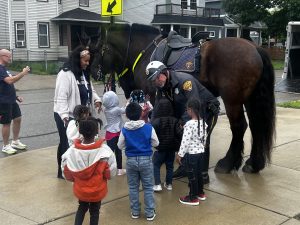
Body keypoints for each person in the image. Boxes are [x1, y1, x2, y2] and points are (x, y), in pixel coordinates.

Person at [146, 61, 219, 184]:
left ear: (163, 73)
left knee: (201, 141)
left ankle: (203, 174)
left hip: (205, 110)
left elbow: (195, 104)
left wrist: (182, 122)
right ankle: (185, 167)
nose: (155, 83)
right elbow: (158, 108)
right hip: (186, 112)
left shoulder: (185, 81)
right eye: (153, 80)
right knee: (181, 136)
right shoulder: (161, 87)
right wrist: (151, 125)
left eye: (155, 79)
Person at [54, 45, 102, 179]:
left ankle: (77, 169)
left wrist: (97, 100)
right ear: (77, 59)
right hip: (66, 115)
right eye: (85, 61)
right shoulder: (65, 74)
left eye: (88, 61)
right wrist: (64, 117)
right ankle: (63, 171)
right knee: (66, 142)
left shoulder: (83, 73)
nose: (87, 63)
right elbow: (61, 97)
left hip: (81, 115)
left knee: (79, 142)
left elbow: (89, 90)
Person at [61, 117, 117, 225]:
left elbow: (67, 172)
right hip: (97, 190)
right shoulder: (104, 152)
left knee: (81, 208)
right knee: (95, 211)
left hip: (81, 190)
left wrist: (74, 179)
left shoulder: (71, 152)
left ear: (80, 132)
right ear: (96, 131)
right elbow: (110, 173)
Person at [117, 102, 159, 221]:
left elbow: (119, 146)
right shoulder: (148, 127)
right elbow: (156, 143)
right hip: (146, 160)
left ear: (127, 115)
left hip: (131, 161)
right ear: (141, 113)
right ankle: (150, 213)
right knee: (148, 187)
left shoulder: (124, 129)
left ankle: (135, 211)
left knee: (133, 187)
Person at [176, 98, 207, 206]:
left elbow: (185, 141)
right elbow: (204, 138)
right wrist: (201, 147)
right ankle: (200, 193)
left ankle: (192, 197)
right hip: (201, 153)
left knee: (192, 175)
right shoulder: (203, 122)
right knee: (198, 173)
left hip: (192, 155)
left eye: (187, 110)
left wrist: (180, 154)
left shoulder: (189, 124)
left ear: (190, 110)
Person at [0, 49, 30, 154]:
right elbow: (10, 81)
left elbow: (8, 85)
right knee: (6, 123)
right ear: (2, 56)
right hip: (3, 101)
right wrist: (23, 73)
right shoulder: (0, 69)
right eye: (8, 56)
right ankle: (5, 145)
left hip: (11, 100)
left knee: (17, 118)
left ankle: (15, 142)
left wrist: (16, 96)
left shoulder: (5, 69)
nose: (10, 58)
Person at [151, 97, 182, 192]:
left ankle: (157, 184)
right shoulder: (175, 120)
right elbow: (179, 134)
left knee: (156, 165)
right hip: (172, 148)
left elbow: (153, 136)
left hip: (160, 149)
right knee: (170, 166)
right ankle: (169, 184)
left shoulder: (155, 121)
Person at [102, 91, 126, 176]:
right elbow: (124, 110)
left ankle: (107, 168)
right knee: (118, 151)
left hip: (109, 133)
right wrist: (128, 102)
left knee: (110, 152)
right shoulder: (116, 110)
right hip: (116, 133)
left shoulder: (105, 110)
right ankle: (119, 169)